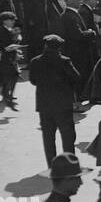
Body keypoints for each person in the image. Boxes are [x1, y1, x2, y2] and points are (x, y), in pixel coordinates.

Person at [28, 35, 83, 169]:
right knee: (68, 135)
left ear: (45, 46)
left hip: (44, 104)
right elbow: (76, 78)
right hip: (63, 103)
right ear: (59, 47)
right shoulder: (65, 61)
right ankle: (70, 164)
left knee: (48, 136)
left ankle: (51, 166)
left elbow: (33, 80)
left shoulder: (35, 61)